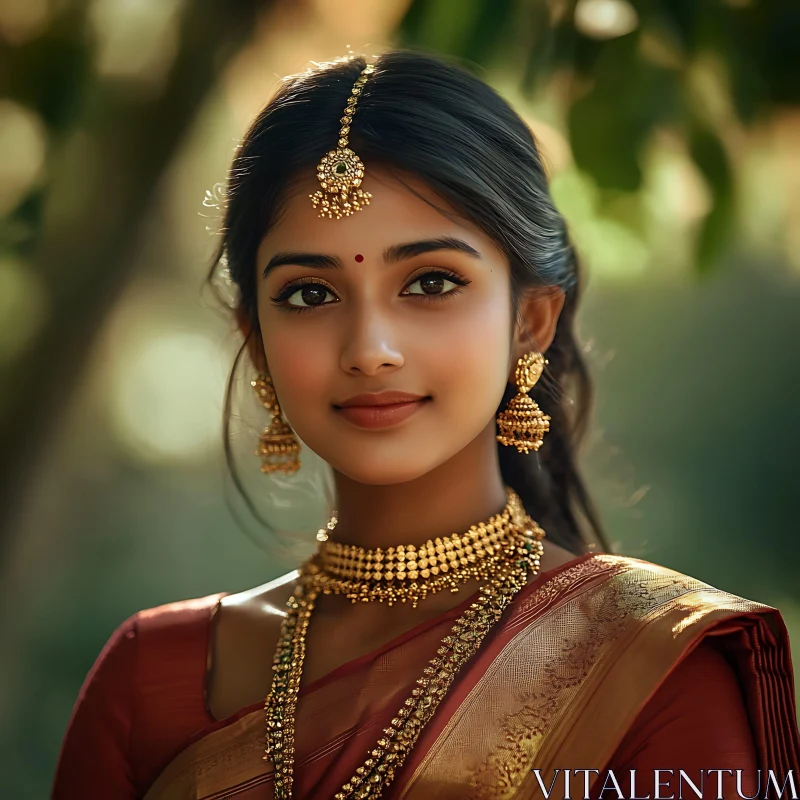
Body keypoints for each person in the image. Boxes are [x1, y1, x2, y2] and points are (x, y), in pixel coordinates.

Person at [52, 50, 799, 800]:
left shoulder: (650, 666)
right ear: (257, 340)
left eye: (431, 282)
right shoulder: (151, 679)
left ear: (530, 322)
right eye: (310, 294)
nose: (370, 349)